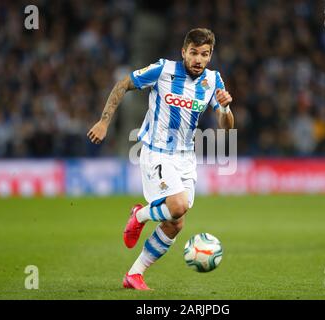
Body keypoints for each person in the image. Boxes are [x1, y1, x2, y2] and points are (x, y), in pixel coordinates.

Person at [87, 28, 234, 289]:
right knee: (177, 206)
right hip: (156, 151)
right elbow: (123, 84)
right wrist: (103, 121)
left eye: (204, 54)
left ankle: (134, 274)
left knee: (176, 223)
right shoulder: (163, 70)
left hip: (186, 157)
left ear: (210, 55)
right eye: (194, 53)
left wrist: (225, 106)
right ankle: (141, 215)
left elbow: (226, 126)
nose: (199, 59)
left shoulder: (213, 81)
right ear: (183, 52)